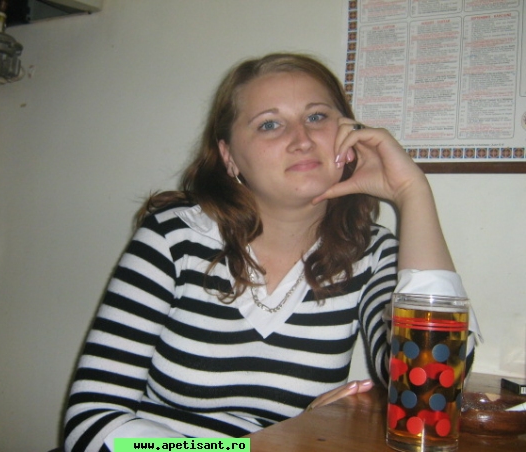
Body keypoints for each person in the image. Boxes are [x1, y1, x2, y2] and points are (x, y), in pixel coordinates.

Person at [63, 53, 476, 451]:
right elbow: (91, 424)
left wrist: (411, 192)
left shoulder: (371, 255)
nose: (302, 140)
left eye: (317, 117)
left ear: (348, 135)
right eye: (269, 124)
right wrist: (253, 449)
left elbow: (431, 388)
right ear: (229, 157)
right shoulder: (175, 238)